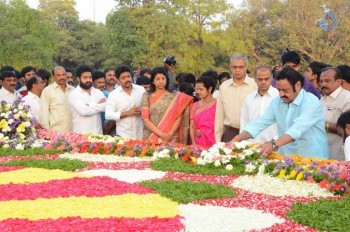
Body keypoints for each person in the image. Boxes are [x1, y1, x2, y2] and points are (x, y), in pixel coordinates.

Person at [234, 67, 329, 159]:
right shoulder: (277, 102)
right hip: (287, 158)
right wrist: (237, 139)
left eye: (285, 90)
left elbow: (297, 129)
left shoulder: (311, 102)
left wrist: (273, 144)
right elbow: (260, 123)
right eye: (279, 90)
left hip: (313, 158)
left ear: (297, 85)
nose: (281, 94)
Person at [141, 67, 193, 144]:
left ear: (166, 80)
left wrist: (171, 133)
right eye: (157, 79)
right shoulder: (146, 95)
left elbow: (179, 116)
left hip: (171, 137)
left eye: (163, 78)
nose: (161, 81)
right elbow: (145, 119)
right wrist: (161, 134)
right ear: (153, 81)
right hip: (152, 136)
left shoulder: (175, 96)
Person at [215, 54, 257, 142]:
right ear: (230, 68)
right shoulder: (224, 87)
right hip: (230, 133)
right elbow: (219, 114)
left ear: (246, 67)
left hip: (251, 134)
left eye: (241, 67)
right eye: (234, 67)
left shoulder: (255, 85)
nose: (237, 70)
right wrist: (218, 139)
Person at [240, 66, 279, 142]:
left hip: (274, 145)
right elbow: (244, 122)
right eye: (260, 79)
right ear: (255, 79)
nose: (263, 82)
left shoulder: (279, 97)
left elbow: (284, 124)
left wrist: (275, 142)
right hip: (251, 146)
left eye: (266, 79)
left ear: (272, 78)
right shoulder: (249, 98)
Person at [105, 65, 145, 139]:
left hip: (141, 133)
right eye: (123, 78)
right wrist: (128, 113)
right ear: (118, 80)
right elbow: (108, 115)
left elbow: (147, 107)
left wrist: (142, 110)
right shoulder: (113, 95)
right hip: (124, 135)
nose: (127, 79)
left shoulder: (141, 90)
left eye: (128, 76)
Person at [320, 67, 350, 160]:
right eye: (321, 81)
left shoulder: (347, 99)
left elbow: (345, 127)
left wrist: (319, 124)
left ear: (339, 82)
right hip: (322, 153)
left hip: (339, 156)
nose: (323, 84)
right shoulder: (322, 98)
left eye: (328, 81)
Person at [68, 65, 106, 134]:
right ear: (78, 79)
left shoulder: (97, 92)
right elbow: (84, 111)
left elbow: (106, 106)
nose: (88, 80)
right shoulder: (74, 94)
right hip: (82, 135)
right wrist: (99, 106)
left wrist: (91, 105)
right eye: (85, 78)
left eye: (90, 77)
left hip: (98, 134)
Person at [40, 66, 74, 132]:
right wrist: (47, 132)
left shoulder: (73, 90)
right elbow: (44, 113)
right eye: (58, 75)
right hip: (56, 132)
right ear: (53, 77)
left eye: (63, 75)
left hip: (74, 130)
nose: (61, 77)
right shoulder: (47, 91)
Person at [190, 76, 217, 147]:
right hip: (196, 142)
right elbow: (192, 126)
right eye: (197, 89)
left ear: (210, 89)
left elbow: (219, 126)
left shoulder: (218, 105)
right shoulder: (195, 105)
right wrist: (193, 142)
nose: (198, 92)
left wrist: (204, 131)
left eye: (201, 89)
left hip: (212, 143)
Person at [102, 68, 117, 135]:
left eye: (114, 75)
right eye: (109, 75)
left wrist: (111, 124)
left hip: (116, 125)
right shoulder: (99, 91)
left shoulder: (120, 91)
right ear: (104, 78)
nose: (112, 77)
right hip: (100, 125)